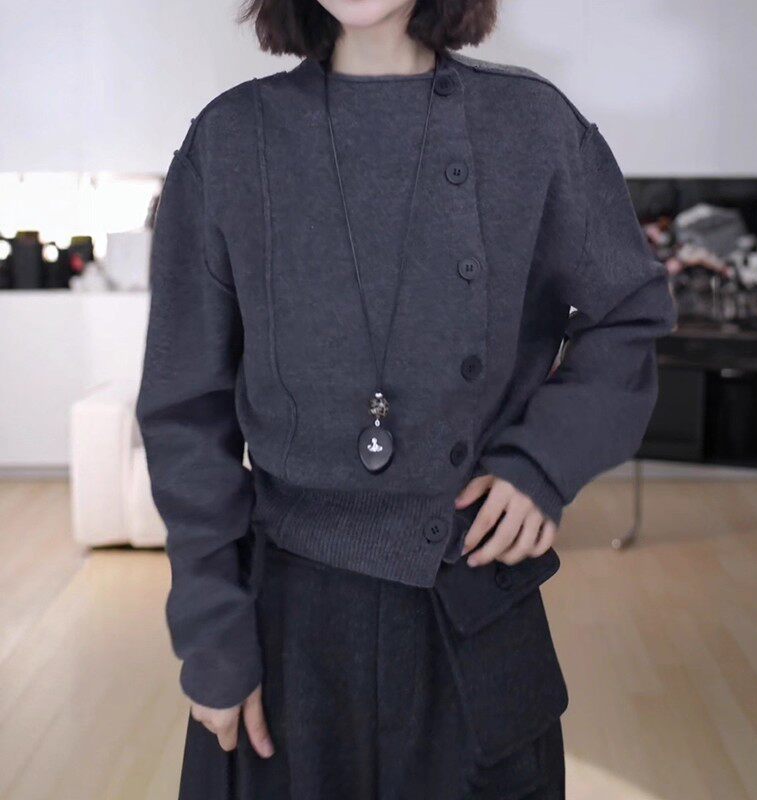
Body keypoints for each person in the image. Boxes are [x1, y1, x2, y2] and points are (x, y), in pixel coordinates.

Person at [135, 0, 677, 797]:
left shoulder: (532, 125)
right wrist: (211, 632)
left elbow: (628, 314)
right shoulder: (230, 141)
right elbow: (186, 411)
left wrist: (543, 462)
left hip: (475, 608)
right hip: (283, 626)